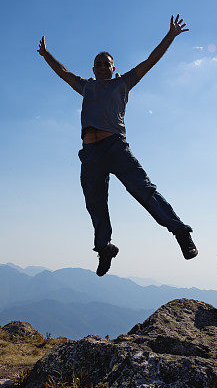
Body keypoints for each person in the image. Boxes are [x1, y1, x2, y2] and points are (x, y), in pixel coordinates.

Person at [37, 15, 197, 276]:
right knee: (95, 204)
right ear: (93, 69)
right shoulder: (86, 87)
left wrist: (170, 36)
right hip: (90, 154)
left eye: (106, 64)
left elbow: (150, 62)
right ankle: (105, 249)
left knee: (143, 191)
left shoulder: (123, 83)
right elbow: (64, 73)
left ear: (114, 68)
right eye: (97, 64)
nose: (101, 67)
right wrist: (46, 55)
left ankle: (180, 231)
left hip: (115, 146)